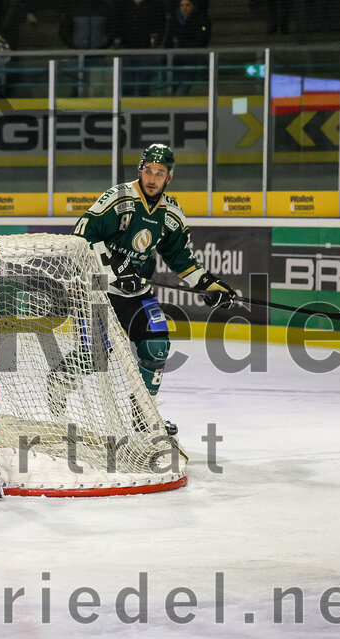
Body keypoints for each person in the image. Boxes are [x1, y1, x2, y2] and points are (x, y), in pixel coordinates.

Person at [74, 143, 237, 431]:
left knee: (157, 347)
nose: (151, 178)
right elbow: (82, 235)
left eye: (159, 173)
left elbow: (180, 258)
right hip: (101, 290)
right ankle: (59, 381)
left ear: (169, 178)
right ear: (140, 170)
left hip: (137, 293)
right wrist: (113, 264)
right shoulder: (118, 198)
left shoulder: (171, 213)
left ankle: (143, 416)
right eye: (147, 170)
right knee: (92, 358)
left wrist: (209, 284)